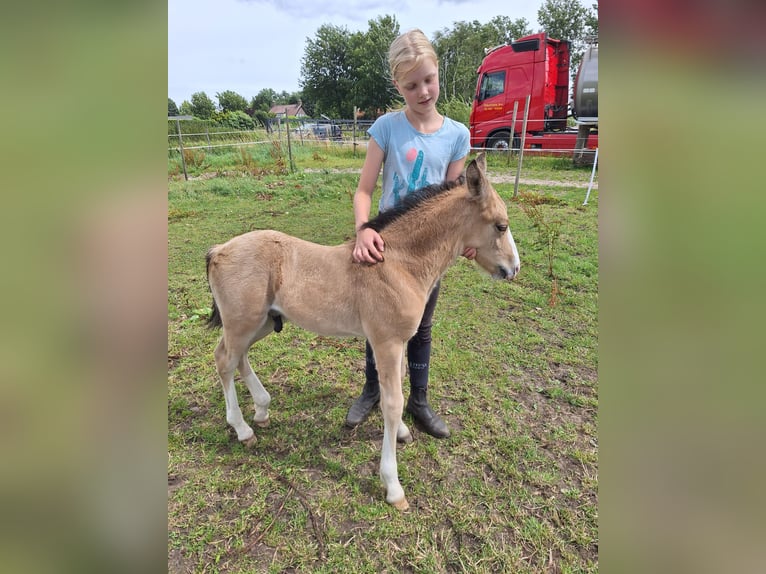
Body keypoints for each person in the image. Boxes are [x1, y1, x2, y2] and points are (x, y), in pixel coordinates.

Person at [345, 28, 474, 438]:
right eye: (411, 84)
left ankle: (418, 401)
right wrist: (363, 230)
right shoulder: (386, 128)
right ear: (398, 85)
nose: (423, 91)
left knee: (422, 325)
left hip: (426, 256)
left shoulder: (457, 135)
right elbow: (364, 190)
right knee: (377, 324)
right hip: (385, 246)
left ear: (439, 73)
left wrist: (466, 240)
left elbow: (457, 202)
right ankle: (372, 391)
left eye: (429, 80)